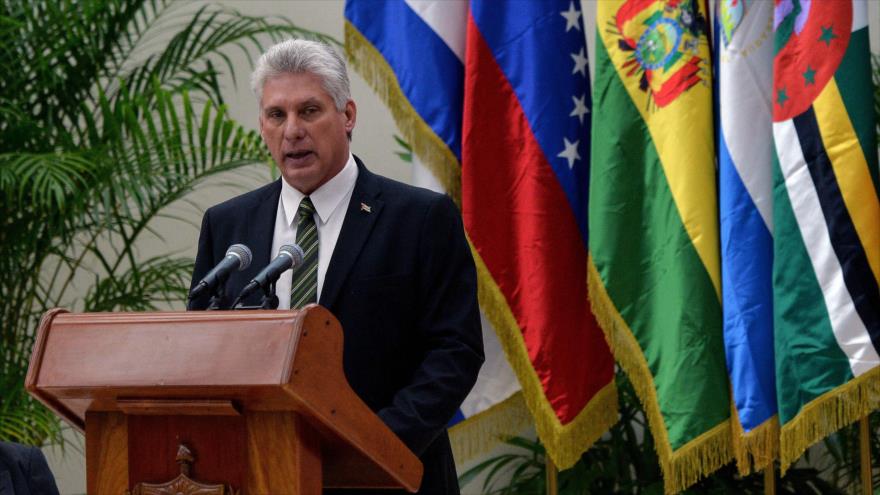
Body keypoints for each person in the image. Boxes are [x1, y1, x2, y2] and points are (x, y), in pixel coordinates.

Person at [189, 39, 484, 494]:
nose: (292, 131)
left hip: (389, 475)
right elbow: (203, 352)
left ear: (347, 116)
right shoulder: (228, 225)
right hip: (259, 474)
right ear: (262, 125)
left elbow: (455, 352)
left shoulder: (420, 218)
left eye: (309, 111)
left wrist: (370, 448)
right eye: (277, 115)